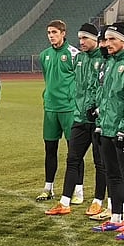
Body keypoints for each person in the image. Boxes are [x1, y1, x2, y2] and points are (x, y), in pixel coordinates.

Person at [45, 23, 108, 216]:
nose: (81, 42)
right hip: (79, 117)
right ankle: (64, 202)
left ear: (95, 39)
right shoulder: (79, 58)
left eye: (85, 39)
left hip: (98, 120)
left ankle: (98, 201)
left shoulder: (105, 59)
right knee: (72, 159)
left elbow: (104, 89)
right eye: (80, 38)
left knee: (100, 163)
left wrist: (98, 110)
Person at [91, 22, 124, 239]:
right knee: (112, 175)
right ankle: (117, 218)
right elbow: (105, 96)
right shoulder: (109, 63)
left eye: (112, 39)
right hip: (106, 128)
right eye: (106, 39)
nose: (108, 43)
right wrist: (99, 120)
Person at [37, 20, 80, 202]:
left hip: (69, 109)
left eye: (54, 32)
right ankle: (48, 188)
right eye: (48, 32)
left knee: (74, 152)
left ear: (63, 33)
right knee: (50, 149)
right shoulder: (44, 55)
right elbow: (48, 78)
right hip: (51, 109)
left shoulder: (74, 54)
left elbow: (80, 81)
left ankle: (78, 191)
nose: (51, 35)